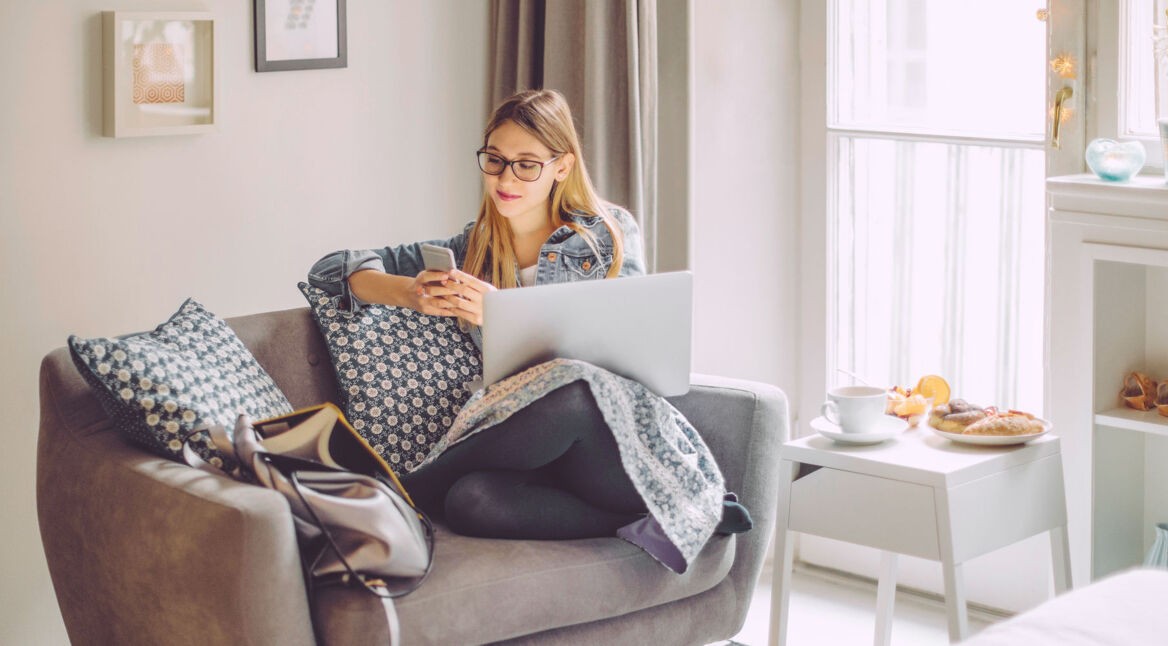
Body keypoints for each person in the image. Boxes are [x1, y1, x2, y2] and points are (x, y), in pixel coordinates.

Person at [309, 89, 749, 542]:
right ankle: (675, 521)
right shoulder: (472, 248)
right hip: (533, 458)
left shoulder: (607, 236)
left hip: (612, 446)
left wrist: (499, 314)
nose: (506, 177)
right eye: (495, 159)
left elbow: (621, 370)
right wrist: (409, 292)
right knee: (469, 502)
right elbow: (331, 270)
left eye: (527, 163)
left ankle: (399, 492)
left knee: (573, 391)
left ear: (562, 167)